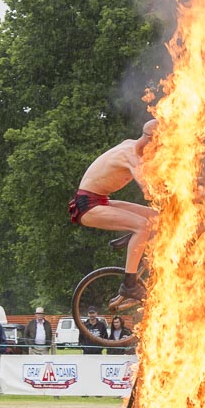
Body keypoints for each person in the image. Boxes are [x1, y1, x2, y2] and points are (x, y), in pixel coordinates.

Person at [69, 120, 158, 304]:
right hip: (88, 206)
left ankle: (138, 247)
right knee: (143, 226)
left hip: (102, 200)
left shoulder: (130, 143)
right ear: (151, 141)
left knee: (157, 217)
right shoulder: (130, 155)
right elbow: (149, 191)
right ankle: (130, 284)